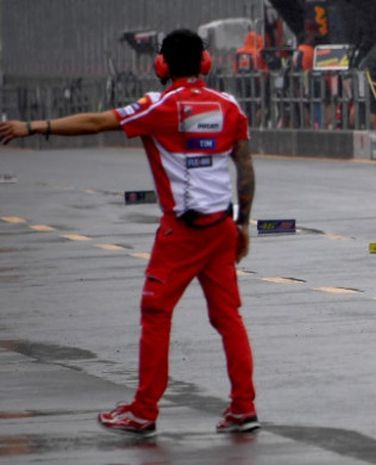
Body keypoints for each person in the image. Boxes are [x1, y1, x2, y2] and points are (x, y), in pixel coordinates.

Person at [0, 29, 260, 437]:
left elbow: (96, 121)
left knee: (155, 314)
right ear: (205, 62)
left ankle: (143, 411)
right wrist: (242, 224)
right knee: (229, 318)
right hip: (222, 227)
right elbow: (245, 168)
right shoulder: (229, 106)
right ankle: (243, 407)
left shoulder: (158, 106)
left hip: (182, 232)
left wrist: (33, 126)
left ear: (163, 65)